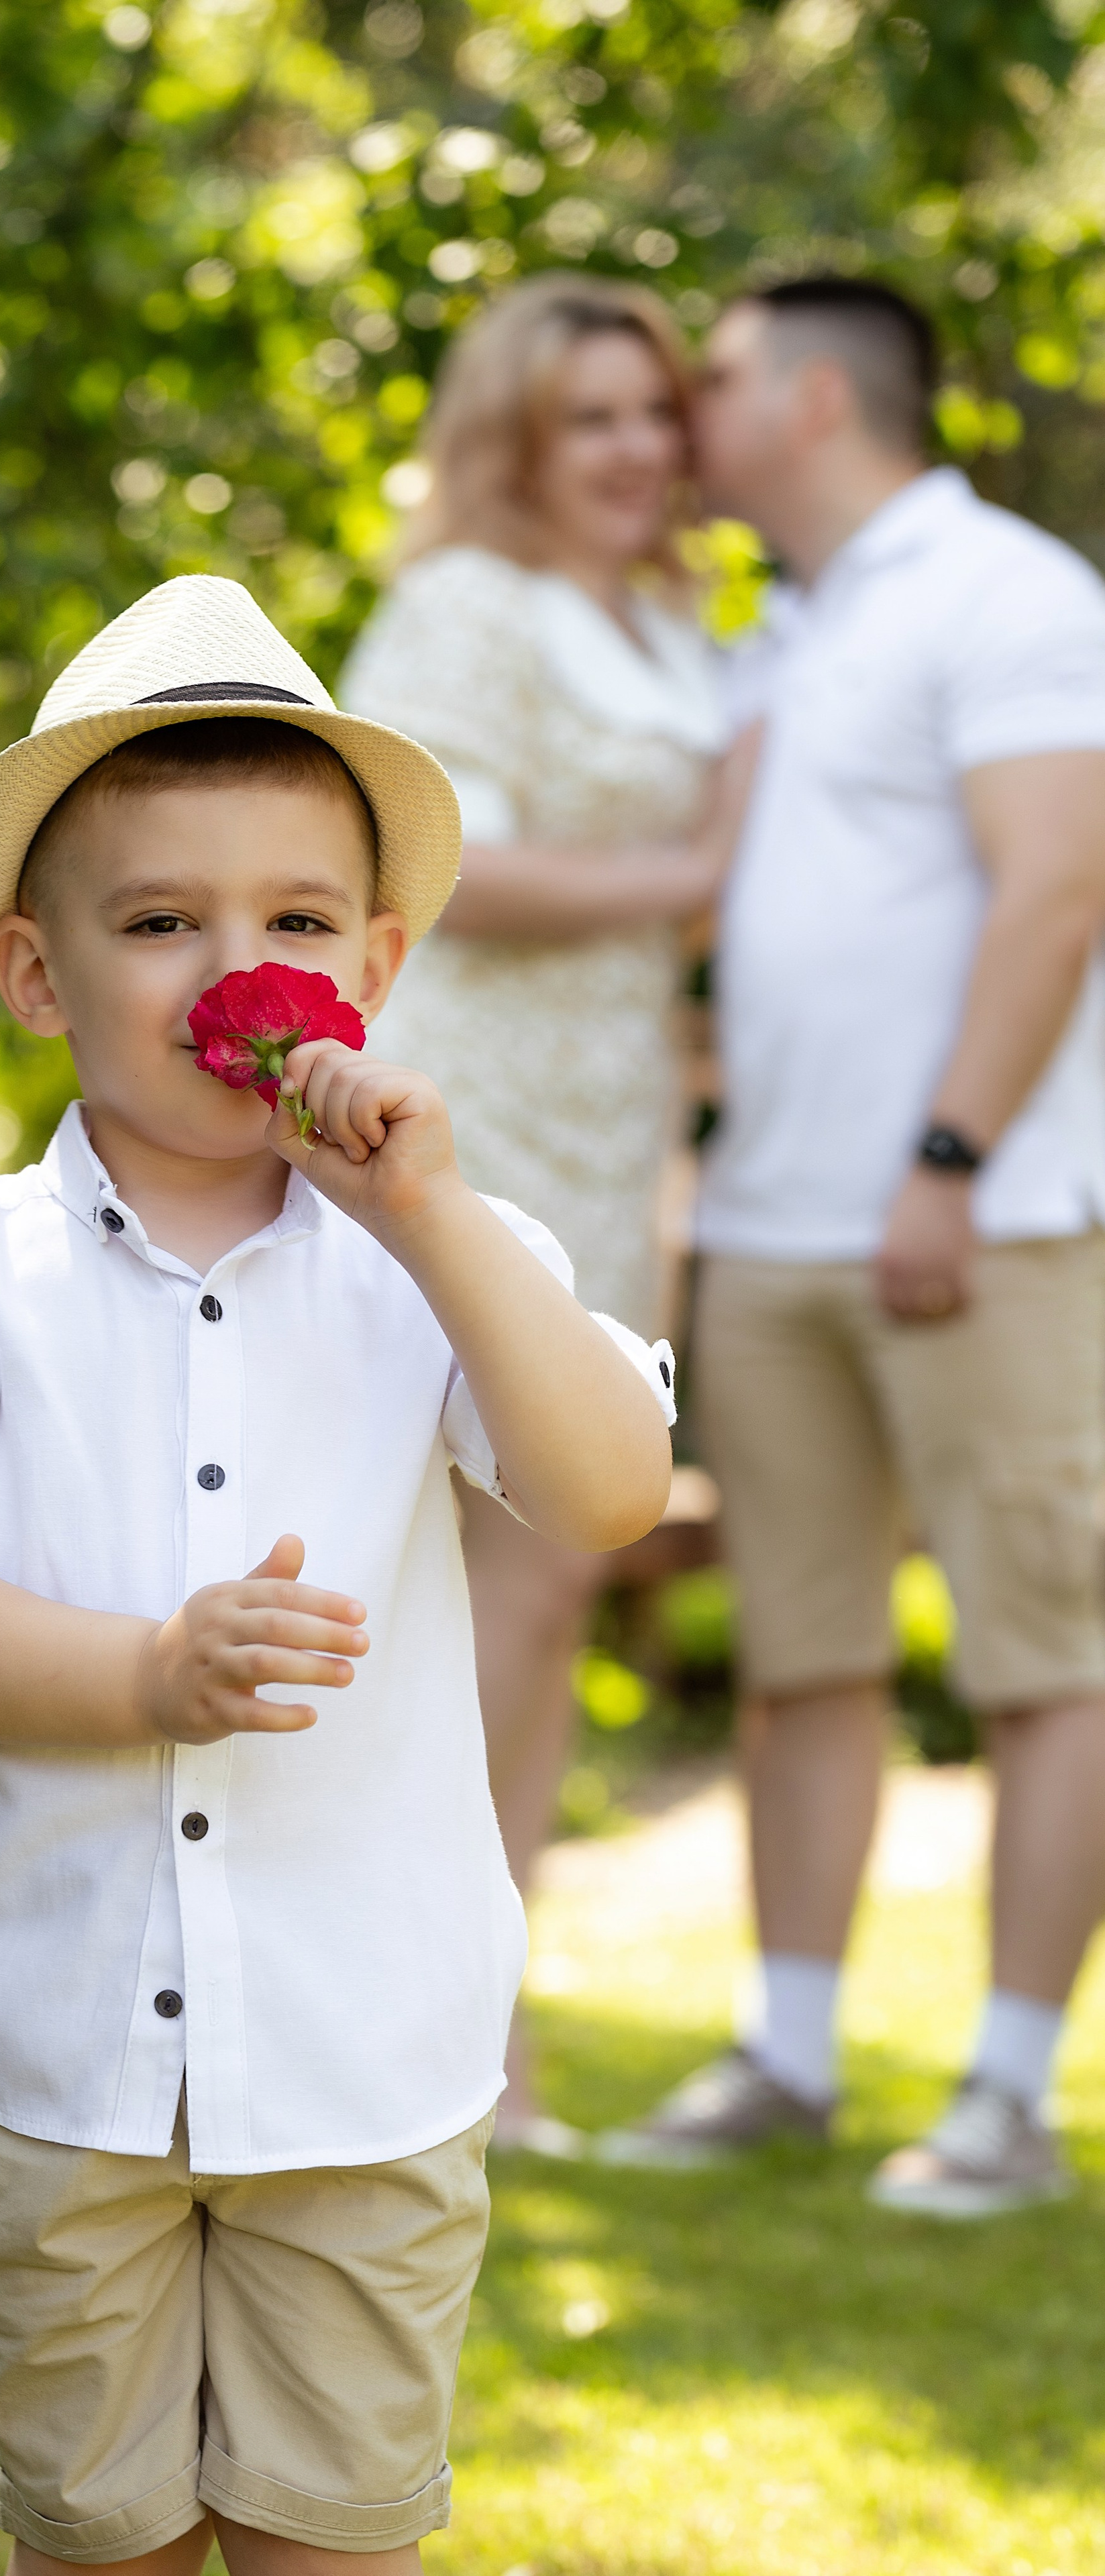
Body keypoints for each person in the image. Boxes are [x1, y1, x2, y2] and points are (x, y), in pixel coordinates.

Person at [0, 576, 676, 2575]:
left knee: (336, 2537)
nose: (228, 970)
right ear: (33, 969)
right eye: (160, 922)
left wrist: (433, 1221)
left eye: (296, 924)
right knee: (101, 2541)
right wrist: (143, 1672)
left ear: (381, 963)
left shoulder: (443, 1255)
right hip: (64, 2053)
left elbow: (612, 1490)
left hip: (366, 2050)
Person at [600, 278, 1105, 2216]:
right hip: (769, 1223)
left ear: (814, 400)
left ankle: (1009, 2095)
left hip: (981, 1220)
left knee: (1039, 1657)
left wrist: (951, 1159)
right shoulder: (775, 632)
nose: (678, 414)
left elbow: (1059, 892)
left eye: (708, 382)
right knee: (803, 1655)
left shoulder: (1014, 595)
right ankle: (791, 2056)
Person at [341, 275, 745, 2151]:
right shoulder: (465, 605)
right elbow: (438, 865)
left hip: (608, 1135)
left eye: (656, 412)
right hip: (464, 1126)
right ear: (514, 436)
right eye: (593, 417)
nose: (640, 449)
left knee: (553, 1582)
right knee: (432, 1589)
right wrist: (690, 872)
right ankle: (398, 2027)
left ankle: (486, 2043)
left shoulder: (670, 623)